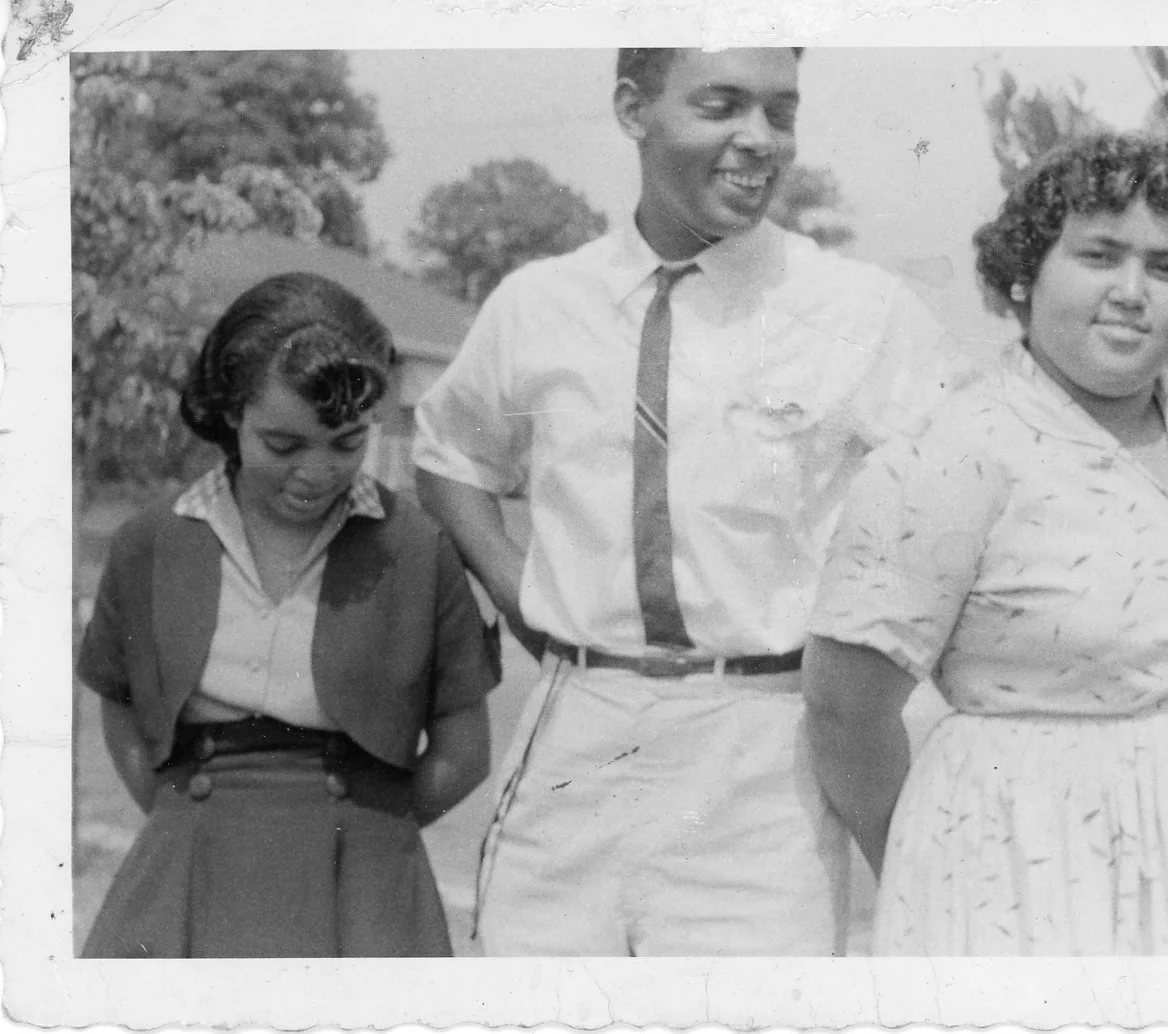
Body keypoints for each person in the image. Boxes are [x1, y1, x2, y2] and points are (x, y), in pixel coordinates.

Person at [412, 47, 962, 956]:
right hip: (576, 737)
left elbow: (967, 493)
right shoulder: (540, 305)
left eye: (780, 112)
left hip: (760, 757)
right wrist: (520, 594)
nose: (759, 139)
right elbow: (448, 455)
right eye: (722, 106)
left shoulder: (859, 311)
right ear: (634, 109)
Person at [804, 133, 1168, 955]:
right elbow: (845, 711)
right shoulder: (954, 452)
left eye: (1166, 267)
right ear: (1025, 273)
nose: (1133, 291)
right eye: (1099, 255)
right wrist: (933, 871)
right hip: (1027, 875)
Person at [76, 273, 497, 957]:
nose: (317, 472)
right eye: (283, 444)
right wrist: (179, 817)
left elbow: (465, 750)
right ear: (231, 413)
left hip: (363, 878)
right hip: (189, 864)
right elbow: (118, 703)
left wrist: (375, 833)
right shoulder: (151, 542)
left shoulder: (417, 550)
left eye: (347, 443)